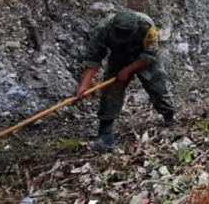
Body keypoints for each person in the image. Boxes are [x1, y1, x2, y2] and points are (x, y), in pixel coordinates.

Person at [75, 10, 175, 152]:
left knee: (158, 87)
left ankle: (169, 119)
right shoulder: (103, 28)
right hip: (119, 57)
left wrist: (128, 70)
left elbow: (150, 53)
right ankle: (105, 134)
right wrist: (84, 85)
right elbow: (93, 57)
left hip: (145, 57)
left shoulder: (147, 26)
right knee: (111, 93)